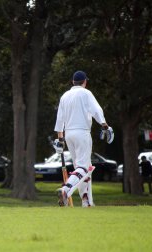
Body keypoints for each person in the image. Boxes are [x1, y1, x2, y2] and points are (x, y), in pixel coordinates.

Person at [54, 70, 113, 207]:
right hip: (82, 133)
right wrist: (105, 126)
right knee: (83, 168)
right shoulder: (86, 93)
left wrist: (60, 140)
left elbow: (59, 120)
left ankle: (86, 201)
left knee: (80, 169)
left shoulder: (65, 96)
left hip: (69, 135)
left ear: (72, 82)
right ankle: (65, 189)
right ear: (85, 82)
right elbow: (97, 111)